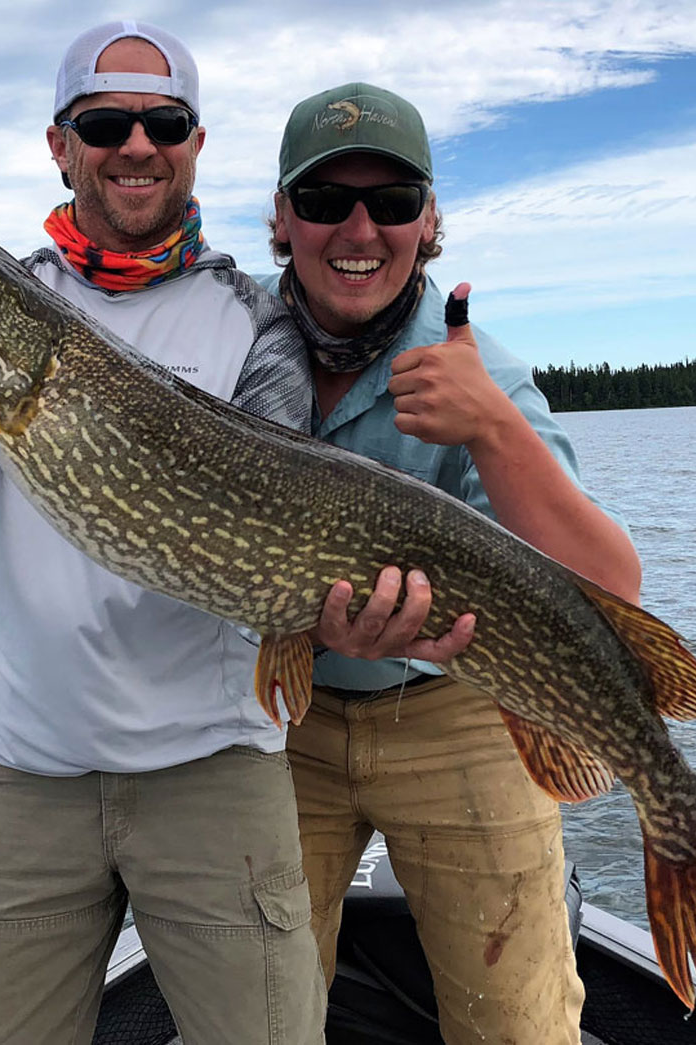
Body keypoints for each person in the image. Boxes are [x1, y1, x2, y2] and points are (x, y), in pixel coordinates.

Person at [0, 21, 332, 1045]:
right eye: (105, 122)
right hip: (27, 773)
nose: (135, 144)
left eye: (161, 122)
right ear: (62, 145)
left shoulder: (256, 324)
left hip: (213, 768)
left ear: (193, 142)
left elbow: (286, 533)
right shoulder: (6, 315)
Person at [260, 83, 644, 1045]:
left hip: (460, 712)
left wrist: (491, 427)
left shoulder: (483, 373)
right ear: (281, 218)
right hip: (282, 721)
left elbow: (614, 595)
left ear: (429, 222)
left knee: (515, 1023)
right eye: (324, 200)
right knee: (258, 1010)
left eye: (391, 203)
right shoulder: (226, 342)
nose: (360, 227)